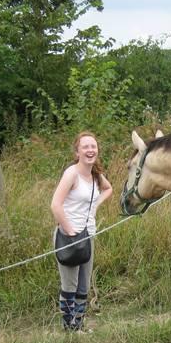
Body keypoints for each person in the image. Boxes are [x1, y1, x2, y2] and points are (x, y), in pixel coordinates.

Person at [51, 131, 112, 331]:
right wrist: (70, 231)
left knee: (83, 285)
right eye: (85, 147)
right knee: (70, 285)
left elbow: (108, 189)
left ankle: (79, 325)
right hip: (69, 237)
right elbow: (55, 205)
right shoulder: (72, 173)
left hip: (88, 236)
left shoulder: (95, 174)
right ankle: (69, 328)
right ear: (77, 152)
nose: (90, 150)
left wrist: (94, 206)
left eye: (93, 146)